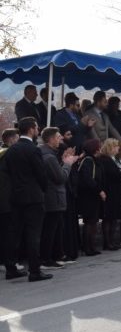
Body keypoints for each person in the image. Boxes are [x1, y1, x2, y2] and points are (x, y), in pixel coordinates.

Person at [3, 117, 51, 281]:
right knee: (33, 234)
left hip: (16, 197)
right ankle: (35, 271)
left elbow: (7, 173)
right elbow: (41, 173)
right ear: (31, 129)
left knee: (14, 234)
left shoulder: (12, 150)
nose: (38, 130)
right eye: (36, 128)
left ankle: (10, 268)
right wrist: (43, 189)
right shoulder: (33, 149)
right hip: (33, 197)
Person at [39, 127, 78, 269]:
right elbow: (60, 177)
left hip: (52, 197)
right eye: (58, 137)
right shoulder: (48, 156)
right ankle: (46, 259)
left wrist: (63, 162)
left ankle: (55, 255)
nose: (60, 139)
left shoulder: (47, 154)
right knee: (50, 230)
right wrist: (68, 164)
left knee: (54, 229)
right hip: (53, 198)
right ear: (50, 139)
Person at [98, 139, 121, 251]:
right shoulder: (105, 159)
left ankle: (113, 241)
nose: (118, 148)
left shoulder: (114, 159)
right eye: (116, 146)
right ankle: (108, 242)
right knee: (109, 218)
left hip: (116, 191)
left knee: (114, 218)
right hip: (110, 191)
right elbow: (113, 175)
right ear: (110, 147)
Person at [75, 139, 105, 256]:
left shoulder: (94, 160)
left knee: (93, 221)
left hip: (93, 195)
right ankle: (87, 247)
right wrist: (99, 190)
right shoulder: (88, 160)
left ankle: (91, 246)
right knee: (89, 222)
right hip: (88, 196)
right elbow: (88, 179)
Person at [0, 129, 19, 275]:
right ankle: (11, 265)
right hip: (7, 200)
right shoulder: (10, 155)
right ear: (11, 140)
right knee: (9, 234)